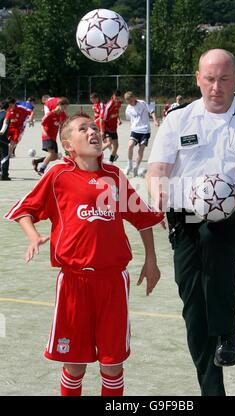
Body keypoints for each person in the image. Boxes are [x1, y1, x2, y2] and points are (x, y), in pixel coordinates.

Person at [146, 49, 235, 396]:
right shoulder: (177, 121)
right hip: (186, 222)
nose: (216, 87)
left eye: (224, 79)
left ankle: (227, 331)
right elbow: (158, 169)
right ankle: (212, 389)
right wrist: (158, 190)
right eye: (210, 79)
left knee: (215, 238)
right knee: (194, 308)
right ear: (198, 79)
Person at [5, 112, 164, 396]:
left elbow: (142, 218)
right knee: (75, 364)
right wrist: (33, 237)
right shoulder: (57, 175)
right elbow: (23, 210)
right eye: (83, 128)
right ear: (68, 145)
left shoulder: (114, 176)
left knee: (112, 365)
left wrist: (151, 260)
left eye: (94, 127)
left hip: (113, 282)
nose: (93, 131)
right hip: (74, 283)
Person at [124, 91, 160, 177]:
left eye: (131, 101)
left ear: (133, 98)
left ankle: (136, 167)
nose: (130, 104)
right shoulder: (128, 108)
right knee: (130, 145)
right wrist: (132, 127)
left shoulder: (142, 103)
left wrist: (155, 120)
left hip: (145, 131)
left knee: (141, 149)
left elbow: (152, 111)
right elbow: (130, 119)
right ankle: (129, 165)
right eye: (128, 102)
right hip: (135, 130)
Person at [32, 98, 69, 175]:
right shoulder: (50, 114)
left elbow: (67, 121)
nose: (65, 109)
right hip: (47, 136)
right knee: (51, 154)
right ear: (59, 105)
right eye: (64, 107)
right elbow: (42, 123)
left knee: (55, 156)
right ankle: (41, 169)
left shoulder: (62, 114)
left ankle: (36, 161)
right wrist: (45, 132)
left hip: (53, 137)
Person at [100, 89, 123, 163]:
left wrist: (119, 119)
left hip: (114, 128)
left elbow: (117, 112)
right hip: (107, 127)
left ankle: (110, 162)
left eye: (118, 98)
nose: (116, 100)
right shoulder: (109, 105)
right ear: (113, 96)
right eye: (115, 98)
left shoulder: (119, 103)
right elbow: (101, 119)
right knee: (108, 143)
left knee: (116, 146)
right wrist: (102, 131)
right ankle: (95, 154)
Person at [0, 100, 10, 181]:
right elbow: (6, 125)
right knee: (5, 156)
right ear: (8, 107)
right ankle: (4, 174)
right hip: (3, 138)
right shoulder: (7, 115)